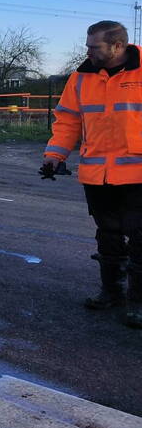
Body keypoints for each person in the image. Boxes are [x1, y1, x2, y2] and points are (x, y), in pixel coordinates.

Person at [43, 20, 142, 328]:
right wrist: (54, 156)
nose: (88, 51)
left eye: (93, 47)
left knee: (141, 239)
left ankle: (137, 303)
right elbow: (68, 121)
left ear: (118, 46)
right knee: (108, 236)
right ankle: (111, 292)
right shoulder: (81, 78)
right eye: (87, 45)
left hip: (138, 175)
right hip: (98, 175)